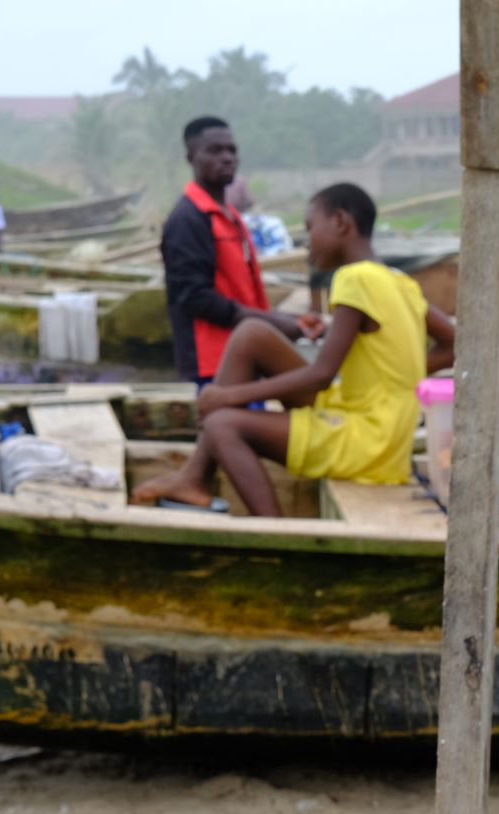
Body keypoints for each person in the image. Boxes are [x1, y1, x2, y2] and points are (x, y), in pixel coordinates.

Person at [133, 182, 452, 517]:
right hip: (383, 433)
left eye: (311, 227)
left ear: (341, 222)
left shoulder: (353, 279)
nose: (307, 243)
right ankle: (194, 476)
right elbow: (451, 344)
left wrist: (229, 396)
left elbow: (321, 376)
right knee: (252, 334)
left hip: (365, 443)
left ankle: (274, 529)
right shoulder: (400, 282)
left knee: (221, 424)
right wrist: (395, 375)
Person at [161, 116, 304, 384]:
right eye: (215, 151)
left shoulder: (231, 218)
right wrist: (270, 323)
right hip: (215, 366)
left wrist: (282, 318)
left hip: (246, 356)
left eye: (232, 150)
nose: (227, 158)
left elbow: (240, 292)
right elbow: (195, 298)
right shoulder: (189, 219)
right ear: (191, 157)